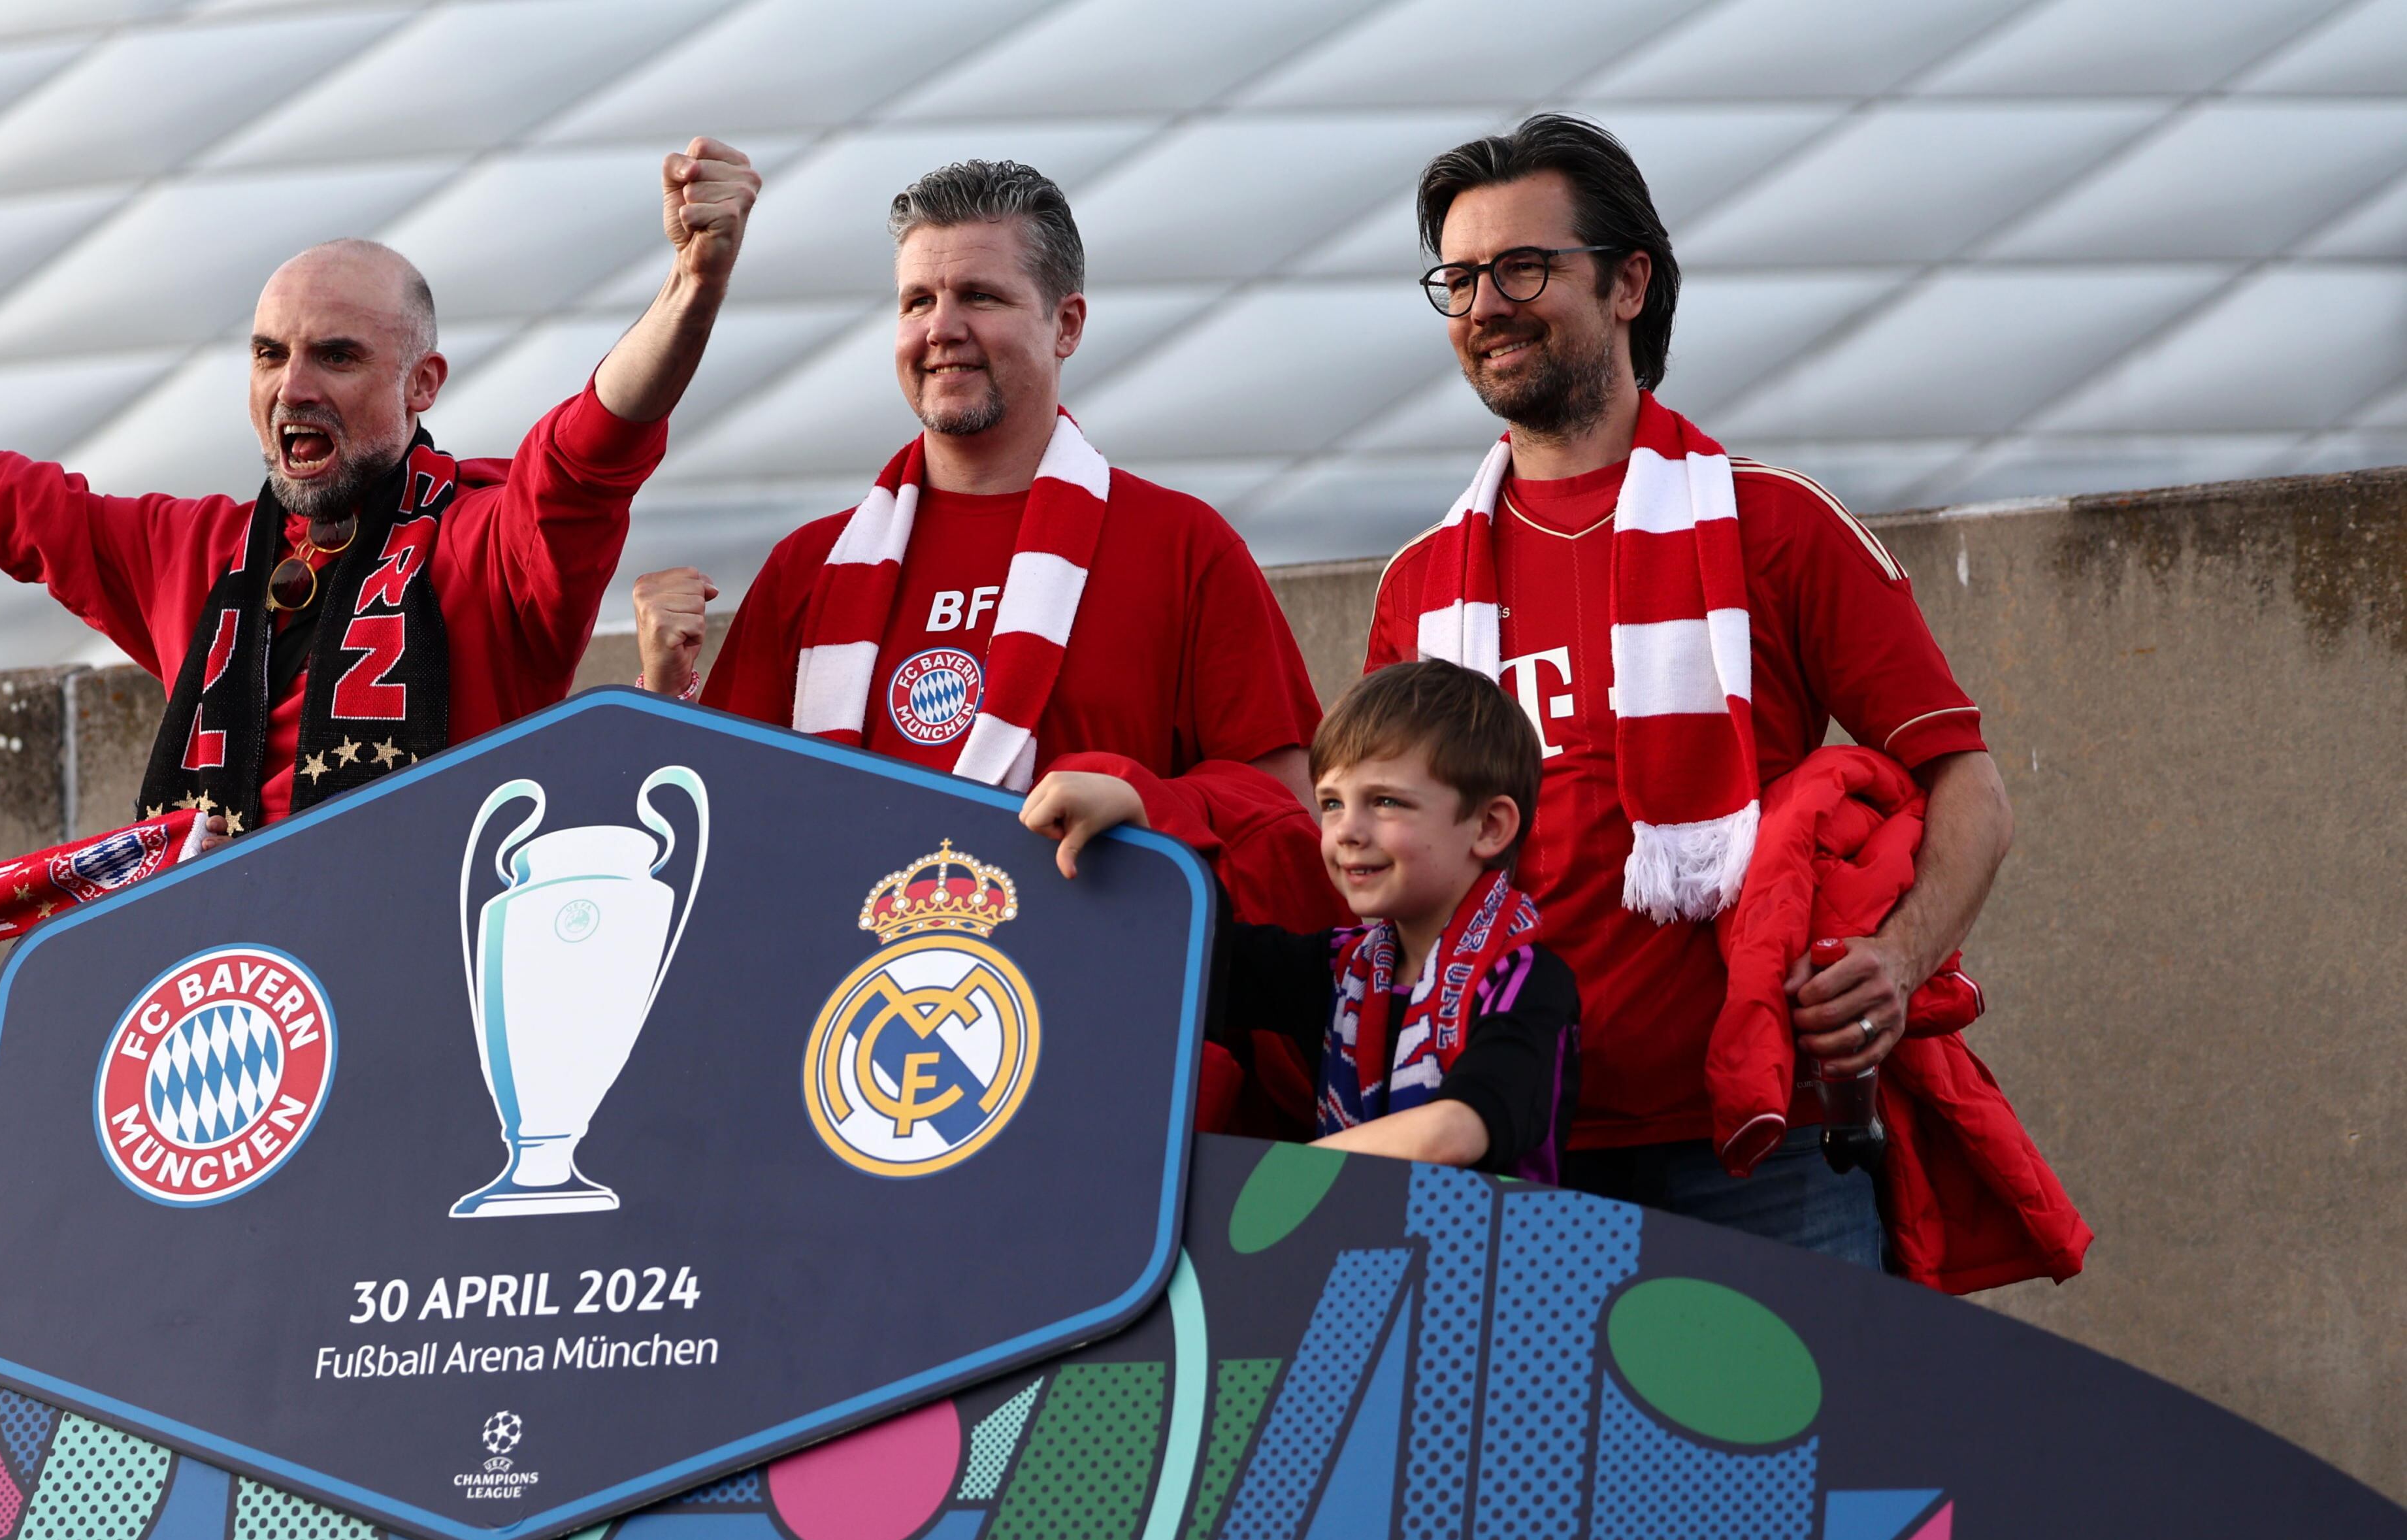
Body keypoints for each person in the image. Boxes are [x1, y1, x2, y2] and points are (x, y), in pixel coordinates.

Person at [0, 141, 761, 840]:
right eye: (269, 356)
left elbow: (594, 444)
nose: (292, 389)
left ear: (424, 384)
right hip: (222, 1019)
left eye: (337, 357)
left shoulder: (490, 542)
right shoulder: (198, 552)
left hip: (424, 1004)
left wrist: (694, 282)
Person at [1364, 114, 2011, 1264]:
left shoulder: (1778, 527)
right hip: (1517, 1150)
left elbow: (1967, 786)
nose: (1485, 306)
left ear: (1629, 284)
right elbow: (1383, 865)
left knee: (1813, 1451)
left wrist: (1898, 963)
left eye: (1524, 267)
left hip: (1763, 1154)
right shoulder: (1421, 586)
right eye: (1458, 279)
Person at [630, 158, 1335, 911]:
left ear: (1065, 325)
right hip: (846, 1016)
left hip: (1094, 1006)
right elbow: (717, 839)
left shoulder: (1182, 546)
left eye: (979, 296)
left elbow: (1291, 829)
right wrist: (663, 698)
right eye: (916, 302)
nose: (940, 329)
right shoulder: (808, 568)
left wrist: (1143, 803)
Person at [1026, 659, 1578, 1179]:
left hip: (1487, 1273)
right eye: (1332, 803)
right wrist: (1132, 805)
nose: (1347, 831)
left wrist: (1269, 1185)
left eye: (1385, 801)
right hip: (1359, 1270)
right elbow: (1190, 955)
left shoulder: (1527, 983)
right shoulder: (1340, 968)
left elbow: (1454, 1129)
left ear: (1489, 827)